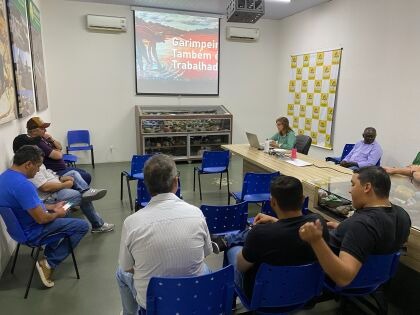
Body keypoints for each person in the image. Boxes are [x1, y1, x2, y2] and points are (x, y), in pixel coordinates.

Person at [116, 154, 212, 315]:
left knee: (120, 273)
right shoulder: (196, 213)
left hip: (154, 305)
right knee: (205, 268)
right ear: (176, 182)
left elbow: (127, 267)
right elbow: (205, 253)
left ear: (146, 185)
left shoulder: (131, 222)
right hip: (192, 297)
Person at [213, 176, 329, 299]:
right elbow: (293, 229)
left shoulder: (260, 234)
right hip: (305, 291)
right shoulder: (318, 224)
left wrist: (250, 242)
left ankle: (227, 242)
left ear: (272, 202)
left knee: (233, 250)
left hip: (262, 296)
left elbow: (241, 266)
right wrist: (274, 221)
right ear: (303, 199)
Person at [299, 166, 411, 287]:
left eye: (353, 185)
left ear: (367, 187)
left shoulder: (362, 224)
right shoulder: (403, 215)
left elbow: (343, 278)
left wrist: (316, 241)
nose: (350, 191)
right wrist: (344, 228)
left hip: (339, 275)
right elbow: (377, 237)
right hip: (376, 276)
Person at [0, 145, 89, 288]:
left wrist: (52, 207)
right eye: (38, 166)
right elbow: (42, 219)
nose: (37, 171)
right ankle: (48, 263)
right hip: (33, 232)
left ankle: (48, 254)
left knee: (61, 214)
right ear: (28, 164)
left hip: (17, 232)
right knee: (82, 226)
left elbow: (27, 207)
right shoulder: (23, 185)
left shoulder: (4, 178)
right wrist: (58, 213)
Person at [13, 134, 114, 233]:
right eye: (32, 146)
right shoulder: (29, 167)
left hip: (56, 184)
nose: (36, 146)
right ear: (23, 150)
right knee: (80, 197)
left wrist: (60, 178)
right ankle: (95, 223)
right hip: (51, 196)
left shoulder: (31, 159)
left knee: (74, 174)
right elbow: (45, 187)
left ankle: (86, 192)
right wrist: (65, 185)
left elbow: (47, 173)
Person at [26, 116, 92, 184]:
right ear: (34, 131)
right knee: (86, 176)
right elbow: (58, 156)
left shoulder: (43, 138)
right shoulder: (38, 143)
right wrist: (57, 151)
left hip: (62, 168)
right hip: (56, 172)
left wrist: (52, 139)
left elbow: (60, 147)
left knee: (84, 172)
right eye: (43, 129)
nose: (46, 130)